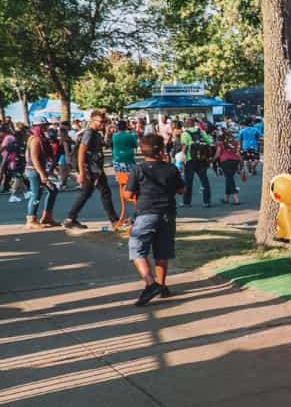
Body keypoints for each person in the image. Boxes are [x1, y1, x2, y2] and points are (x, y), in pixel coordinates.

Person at [124, 133, 185, 306]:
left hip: (146, 213)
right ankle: (162, 285)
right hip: (167, 213)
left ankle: (151, 284)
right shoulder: (171, 168)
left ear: (142, 151)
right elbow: (182, 190)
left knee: (137, 248)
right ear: (162, 149)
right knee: (162, 251)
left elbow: (128, 194)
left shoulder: (138, 169)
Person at [63, 109, 119, 230]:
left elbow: (103, 146)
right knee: (98, 193)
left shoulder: (96, 133)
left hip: (95, 169)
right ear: (93, 120)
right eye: (101, 121)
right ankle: (114, 220)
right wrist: (82, 172)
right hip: (90, 169)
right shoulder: (89, 133)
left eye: (105, 122)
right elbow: (81, 152)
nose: (103, 124)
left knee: (94, 193)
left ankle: (70, 218)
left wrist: (108, 133)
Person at [24, 124, 59, 228]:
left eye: (46, 126)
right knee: (36, 193)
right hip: (34, 171)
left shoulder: (39, 138)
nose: (46, 128)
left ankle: (47, 217)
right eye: (43, 126)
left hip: (36, 170)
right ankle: (31, 220)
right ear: (37, 127)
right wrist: (42, 174)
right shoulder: (34, 140)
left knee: (52, 190)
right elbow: (34, 159)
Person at [180, 117, 213, 207]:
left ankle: (187, 202)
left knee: (188, 182)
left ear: (186, 124)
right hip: (202, 159)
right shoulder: (201, 132)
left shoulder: (185, 134)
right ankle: (207, 201)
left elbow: (184, 147)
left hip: (190, 160)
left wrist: (181, 160)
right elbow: (209, 142)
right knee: (204, 180)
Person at [214, 131, 242, 205]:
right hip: (235, 161)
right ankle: (226, 198)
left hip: (225, 161)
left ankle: (237, 200)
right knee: (228, 178)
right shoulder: (235, 142)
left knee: (230, 179)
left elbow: (218, 153)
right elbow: (238, 152)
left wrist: (212, 160)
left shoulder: (220, 143)